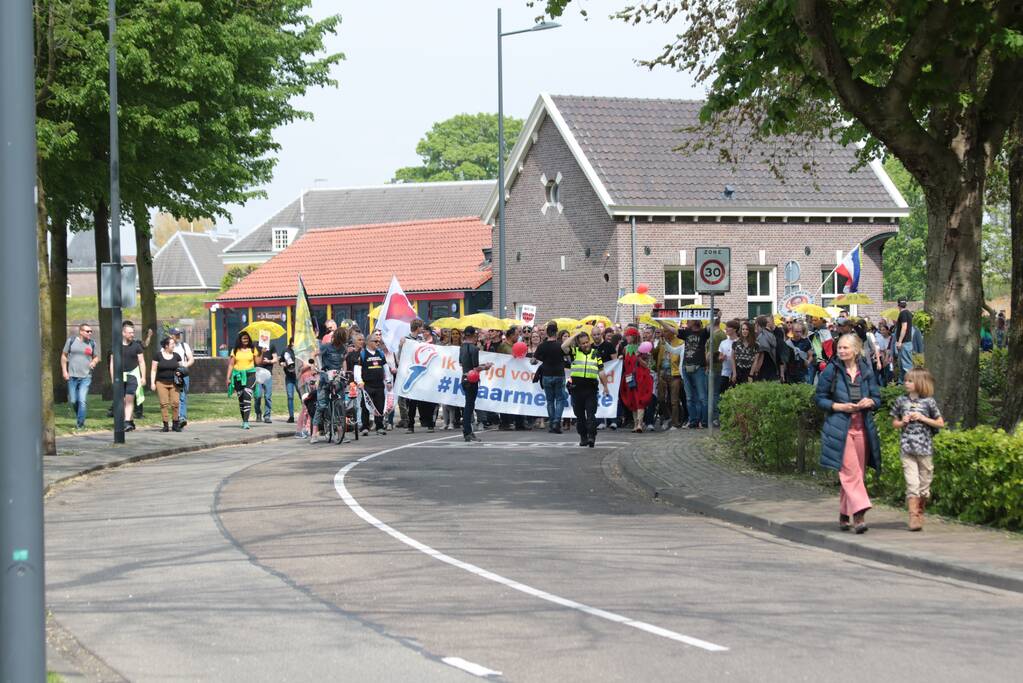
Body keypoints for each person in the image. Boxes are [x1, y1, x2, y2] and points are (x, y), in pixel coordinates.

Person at [815, 333, 882, 534]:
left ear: (856, 350)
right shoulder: (831, 370)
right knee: (850, 473)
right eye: (840, 348)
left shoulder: (866, 370)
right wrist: (839, 406)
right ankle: (859, 514)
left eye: (845, 348)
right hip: (839, 429)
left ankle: (845, 514)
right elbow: (819, 398)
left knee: (856, 474)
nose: (842, 351)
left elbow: (877, 397)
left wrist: (870, 402)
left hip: (862, 429)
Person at [891, 368, 945, 531]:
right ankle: (913, 517)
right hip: (907, 448)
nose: (906, 383)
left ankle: (920, 510)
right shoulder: (901, 401)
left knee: (925, 485)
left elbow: (940, 423)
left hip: (925, 449)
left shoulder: (929, 402)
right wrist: (903, 422)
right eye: (906, 380)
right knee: (912, 483)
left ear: (920, 383)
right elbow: (894, 423)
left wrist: (923, 418)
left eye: (910, 381)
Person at [562, 330, 610, 448]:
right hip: (576, 390)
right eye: (583, 343)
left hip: (590, 390)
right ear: (579, 344)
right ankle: (583, 437)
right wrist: (575, 335)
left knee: (591, 414)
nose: (585, 345)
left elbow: (601, 371)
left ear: (590, 341)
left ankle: (591, 437)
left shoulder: (596, 353)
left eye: (587, 342)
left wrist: (605, 386)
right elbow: (563, 346)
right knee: (580, 416)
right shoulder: (575, 352)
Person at [310, 327, 347, 443]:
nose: (340, 344)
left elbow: (343, 360)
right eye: (339, 341)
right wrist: (313, 366)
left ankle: (340, 433)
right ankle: (314, 433)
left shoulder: (343, 348)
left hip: (338, 378)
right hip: (325, 378)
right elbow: (314, 354)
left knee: (340, 404)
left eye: (342, 342)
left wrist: (344, 371)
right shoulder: (326, 347)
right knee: (321, 405)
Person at [61, 323, 100, 432]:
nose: (90, 333)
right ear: (81, 332)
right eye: (87, 331)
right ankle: (80, 416)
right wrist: (64, 371)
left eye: (91, 331)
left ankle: (80, 425)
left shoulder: (92, 343)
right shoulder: (71, 341)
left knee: (82, 400)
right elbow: (63, 356)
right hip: (72, 376)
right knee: (74, 401)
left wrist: (93, 362)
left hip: (86, 377)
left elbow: (96, 357)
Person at [109, 321, 146, 433]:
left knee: (129, 399)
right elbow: (112, 363)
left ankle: (126, 422)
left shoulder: (137, 346)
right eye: (130, 333)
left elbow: (141, 362)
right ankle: (130, 420)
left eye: (133, 332)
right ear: (123, 333)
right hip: (120, 376)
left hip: (132, 375)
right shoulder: (116, 346)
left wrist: (143, 377)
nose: (132, 335)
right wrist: (113, 378)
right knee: (123, 401)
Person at [533, 321, 567, 434]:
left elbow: (533, 360)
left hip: (546, 375)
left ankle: (552, 423)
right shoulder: (561, 345)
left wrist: (538, 360)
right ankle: (557, 422)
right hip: (559, 374)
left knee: (550, 401)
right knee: (560, 400)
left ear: (547, 333)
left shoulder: (542, 346)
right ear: (556, 332)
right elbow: (568, 356)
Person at [459, 326, 492, 442]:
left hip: (464, 378)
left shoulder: (462, 347)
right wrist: (486, 367)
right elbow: (475, 367)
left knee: (468, 406)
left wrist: (481, 366)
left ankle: (468, 431)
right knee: (469, 406)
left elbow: (461, 363)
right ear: (474, 335)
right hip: (471, 380)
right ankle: (467, 432)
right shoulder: (474, 348)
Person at [354, 332, 389, 435]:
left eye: (379, 341)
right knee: (365, 406)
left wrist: (388, 381)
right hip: (367, 385)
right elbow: (357, 369)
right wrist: (359, 381)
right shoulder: (363, 354)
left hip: (379, 385)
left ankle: (379, 427)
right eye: (375, 341)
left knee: (380, 406)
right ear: (369, 342)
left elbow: (385, 367)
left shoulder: (380, 353)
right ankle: (365, 427)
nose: (378, 343)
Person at [226, 331, 261, 429]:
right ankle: (244, 420)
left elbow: (258, 362)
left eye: (247, 338)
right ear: (240, 340)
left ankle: (246, 422)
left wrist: (262, 352)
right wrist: (227, 378)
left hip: (250, 375)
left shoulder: (253, 349)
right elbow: (231, 365)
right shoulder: (235, 350)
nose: (246, 340)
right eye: (244, 338)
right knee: (241, 399)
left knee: (247, 395)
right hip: (238, 376)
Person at [619, 336, 654, 433]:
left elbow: (647, 365)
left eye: (629, 335)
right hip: (629, 377)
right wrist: (621, 357)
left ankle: (639, 424)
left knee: (640, 400)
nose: (627, 337)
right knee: (632, 400)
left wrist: (638, 357)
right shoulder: (625, 349)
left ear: (634, 337)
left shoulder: (642, 348)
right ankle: (635, 424)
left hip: (641, 378)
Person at [150, 336, 183, 432]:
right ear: (166, 345)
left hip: (174, 383)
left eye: (174, 343)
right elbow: (153, 370)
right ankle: (165, 425)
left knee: (175, 403)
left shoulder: (177, 356)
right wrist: (152, 383)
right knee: (164, 404)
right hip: (161, 383)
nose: (174, 345)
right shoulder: (158, 356)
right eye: (172, 344)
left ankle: (175, 424)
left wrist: (180, 376)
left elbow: (181, 369)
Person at [168, 328, 195, 428]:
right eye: (176, 334)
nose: (178, 336)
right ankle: (176, 418)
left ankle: (182, 418)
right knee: (174, 397)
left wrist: (184, 366)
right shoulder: (167, 346)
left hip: (183, 373)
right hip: (172, 373)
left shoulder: (184, 345)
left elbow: (191, 359)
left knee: (183, 396)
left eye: (179, 334)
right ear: (171, 335)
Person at [252, 335, 277, 424]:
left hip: (268, 373)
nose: (264, 337)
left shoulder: (271, 345)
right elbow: (254, 360)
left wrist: (269, 361)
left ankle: (267, 416)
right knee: (257, 395)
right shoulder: (255, 346)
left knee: (267, 396)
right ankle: (258, 413)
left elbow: (275, 359)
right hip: (257, 373)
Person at [751, 315, 779, 382]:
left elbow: (761, 355)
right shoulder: (771, 334)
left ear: (757, 324)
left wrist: (756, 370)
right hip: (772, 366)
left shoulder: (762, 337)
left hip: (763, 370)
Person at [296, 361, 318, 439]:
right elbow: (298, 371)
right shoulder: (300, 358)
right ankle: (299, 430)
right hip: (304, 382)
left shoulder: (314, 356)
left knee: (312, 406)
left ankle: (308, 428)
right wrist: (308, 365)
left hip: (313, 381)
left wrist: (315, 369)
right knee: (305, 406)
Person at [731, 320, 757, 385]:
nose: (744, 331)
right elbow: (732, 358)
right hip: (738, 371)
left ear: (750, 331)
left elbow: (755, 361)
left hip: (749, 371)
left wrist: (751, 375)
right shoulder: (735, 343)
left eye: (747, 329)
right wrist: (734, 373)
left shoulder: (756, 345)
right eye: (743, 329)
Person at [894, 299, 914, 383]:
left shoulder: (903, 313)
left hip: (904, 343)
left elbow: (904, 327)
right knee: (902, 366)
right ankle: (902, 384)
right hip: (906, 343)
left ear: (898, 305)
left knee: (906, 366)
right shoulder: (908, 313)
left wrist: (899, 341)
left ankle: (911, 384)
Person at [281, 338, 299, 423]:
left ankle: (306, 415)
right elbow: (281, 360)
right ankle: (291, 416)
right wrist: (282, 363)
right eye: (295, 342)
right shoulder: (286, 351)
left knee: (302, 396)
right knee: (290, 396)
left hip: (298, 377)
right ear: (292, 343)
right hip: (289, 376)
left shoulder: (300, 351)